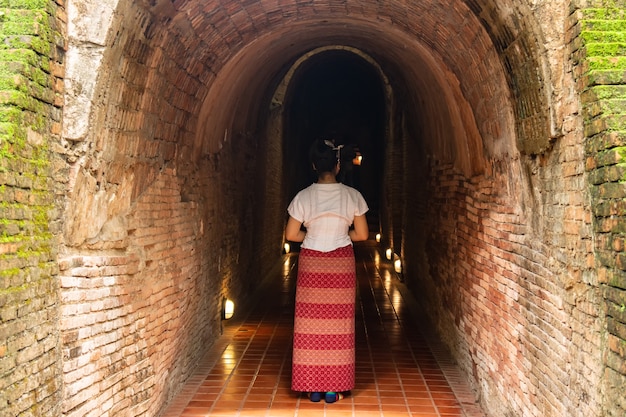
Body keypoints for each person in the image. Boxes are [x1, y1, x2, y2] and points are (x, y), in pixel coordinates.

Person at [285, 138, 369, 403]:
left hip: (312, 263)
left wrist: (313, 233)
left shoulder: (303, 197)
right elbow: (363, 234)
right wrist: (341, 232)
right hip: (341, 263)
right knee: (339, 325)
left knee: (310, 326)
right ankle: (334, 387)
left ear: (313, 165)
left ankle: (312, 387)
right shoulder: (352, 196)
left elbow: (291, 234)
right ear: (337, 166)